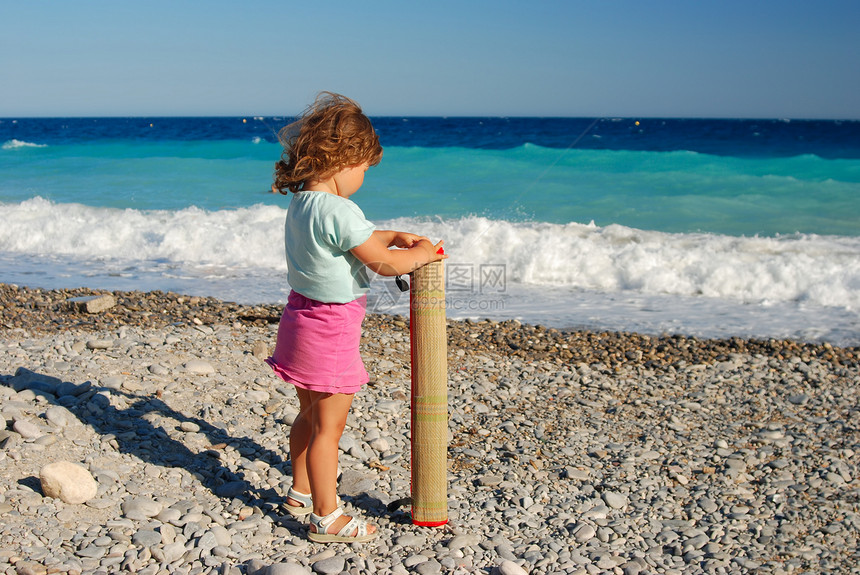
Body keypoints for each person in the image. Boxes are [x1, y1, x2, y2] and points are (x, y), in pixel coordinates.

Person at [265, 92, 446, 543]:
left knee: (307, 415)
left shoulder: (304, 202)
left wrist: (390, 235)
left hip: (299, 320)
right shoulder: (340, 209)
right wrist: (422, 252)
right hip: (330, 330)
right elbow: (384, 264)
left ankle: (299, 491)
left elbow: (350, 240)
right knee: (329, 428)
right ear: (344, 158)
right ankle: (328, 517)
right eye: (364, 168)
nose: (364, 177)